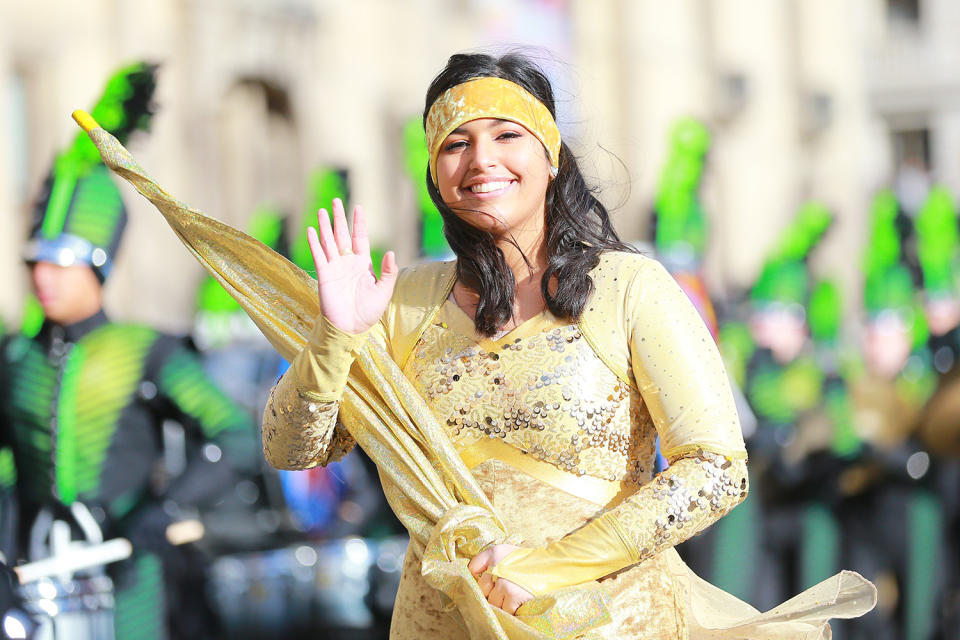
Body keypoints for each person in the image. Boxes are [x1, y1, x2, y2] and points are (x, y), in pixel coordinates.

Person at [257, 52, 875, 638]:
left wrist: (546, 566)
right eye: (455, 143)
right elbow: (293, 449)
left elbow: (717, 468)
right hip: (443, 622)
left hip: (607, 619)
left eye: (506, 135)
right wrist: (335, 335)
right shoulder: (401, 301)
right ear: (434, 174)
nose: (481, 161)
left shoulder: (631, 287)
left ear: (552, 155)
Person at [0, 63, 260, 640]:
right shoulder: (16, 359)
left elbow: (234, 437)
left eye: (60, 262)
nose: (43, 277)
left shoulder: (147, 350)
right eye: (35, 262)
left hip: (133, 582)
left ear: (98, 267)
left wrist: (167, 509)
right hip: (32, 585)